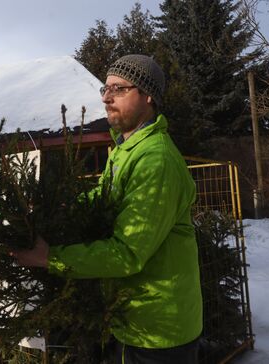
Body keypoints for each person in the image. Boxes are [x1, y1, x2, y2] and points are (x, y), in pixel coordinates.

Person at [14, 55, 203, 363]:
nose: (105, 97)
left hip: (159, 332)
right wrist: (60, 209)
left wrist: (50, 258)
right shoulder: (126, 149)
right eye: (105, 88)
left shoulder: (156, 161)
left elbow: (127, 253)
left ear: (148, 95)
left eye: (119, 88)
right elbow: (104, 197)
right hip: (131, 320)